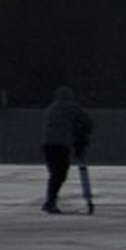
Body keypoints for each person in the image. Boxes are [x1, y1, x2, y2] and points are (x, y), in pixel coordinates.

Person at [40, 85, 93, 214]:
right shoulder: (72, 107)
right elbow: (88, 122)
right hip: (62, 144)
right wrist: (82, 137)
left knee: (54, 173)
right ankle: (50, 202)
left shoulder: (51, 108)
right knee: (60, 174)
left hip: (47, 144)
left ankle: (50, 200)